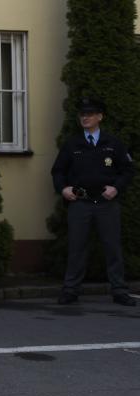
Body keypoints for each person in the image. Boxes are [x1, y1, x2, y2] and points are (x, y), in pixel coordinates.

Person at [51, 97, 135, 306]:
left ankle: (119, 290)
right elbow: (58, 171)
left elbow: (127, 170)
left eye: (89, 114)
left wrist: (116, 187)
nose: (85, 117)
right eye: (82, 114)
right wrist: (64, 188)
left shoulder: (113, 143)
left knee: (112, 247)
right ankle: (70, 290)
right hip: (81, 203)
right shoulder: (72, 144)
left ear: (100, 117)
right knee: (77, 247)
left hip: (106, 204)